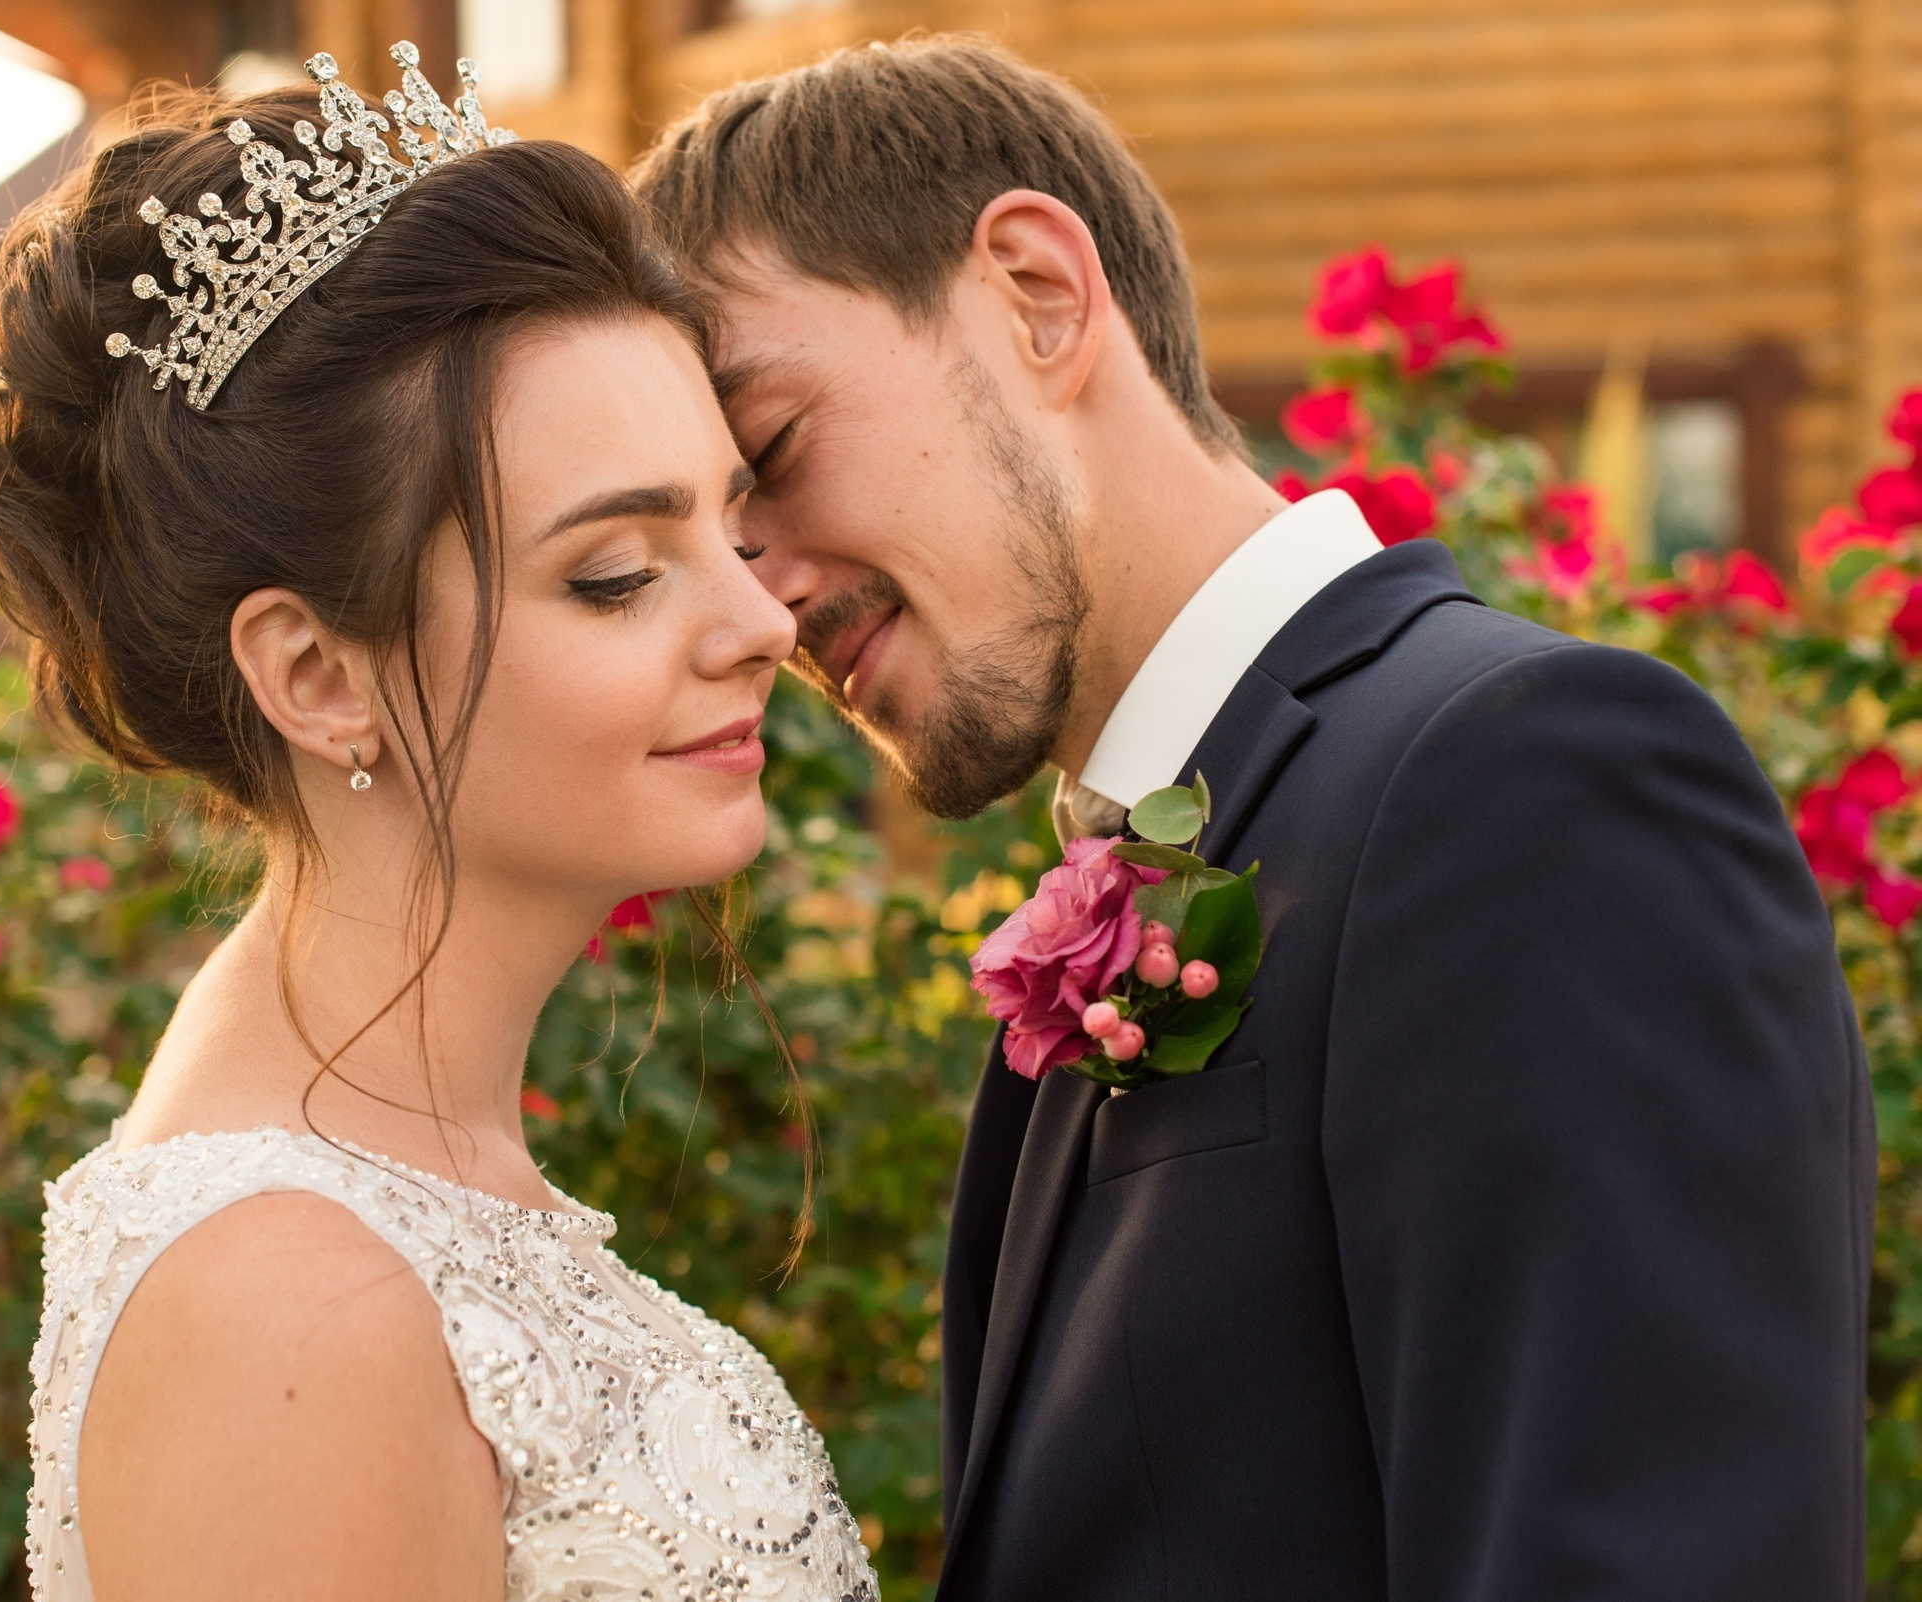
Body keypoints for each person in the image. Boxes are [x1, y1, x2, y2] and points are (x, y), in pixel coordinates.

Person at [635, 35, 1872, 1601]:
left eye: (774, 453)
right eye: (700, 535)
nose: (761, 595)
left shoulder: (1526, 783)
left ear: (1037, 294)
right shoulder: (1159, 863)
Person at [0, 48, 879, 1602]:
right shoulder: (285, 1305)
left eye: (732, 523)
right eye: (616, 574)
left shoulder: (394, 1188)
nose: (759, 622)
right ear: (317, 674)